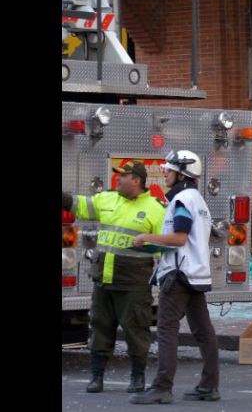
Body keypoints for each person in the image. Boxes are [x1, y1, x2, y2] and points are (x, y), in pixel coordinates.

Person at [62, 161, 166, 394]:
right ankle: (96, 377)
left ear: (137, 180)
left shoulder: (156, 208)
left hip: (134, 284)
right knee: (100, 328)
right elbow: (77, 204)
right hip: (104, 280)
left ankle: (137, 378)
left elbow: (165, 245)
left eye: (122, 176)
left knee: (136, 330)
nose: (117, 179)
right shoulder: (107, 199)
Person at [129, 150, 220, 404]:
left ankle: (161, 388)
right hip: (195, 274)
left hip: (179, 275)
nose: (164, 174)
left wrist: (147, 238)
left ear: (182, 174)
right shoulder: (198, 200)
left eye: (168, 170)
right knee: (204, 331)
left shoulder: (182, 200)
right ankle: (209, 386)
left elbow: (180, 238)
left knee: (167, 329)